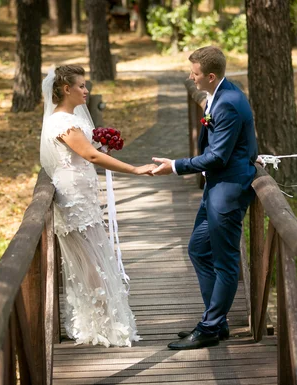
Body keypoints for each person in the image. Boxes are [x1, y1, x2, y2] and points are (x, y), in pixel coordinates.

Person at [40, 65, 156, 347]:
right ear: (66, 90)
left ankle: (102, 319)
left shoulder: (69, 118)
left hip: (84, 196)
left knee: (93, 259)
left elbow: (89, 150)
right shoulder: (61, 123)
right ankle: (103, 322)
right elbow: (90, 155)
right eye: (80, 86)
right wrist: (135, 170)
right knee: (90, 262)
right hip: (74, 199)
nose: (86, 90)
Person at [152, 46, 258, 350]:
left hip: (228, 191)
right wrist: (251, 153)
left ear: (211, 76)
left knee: (225, 263)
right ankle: (217, 320)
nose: (190, 77)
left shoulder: (228, 103)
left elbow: (217, 156)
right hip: (216, 188)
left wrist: (174, 166)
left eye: (195, 74)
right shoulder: (219, 94)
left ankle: (210, 327)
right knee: (199, 249)